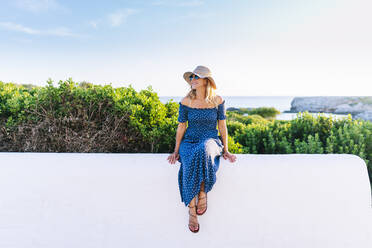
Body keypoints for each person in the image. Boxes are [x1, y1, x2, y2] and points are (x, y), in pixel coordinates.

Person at [167, 65, 237, 233]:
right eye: (191, 77)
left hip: (211, 139)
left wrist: (226, 149)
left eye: (196, 77)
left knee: (204, 150)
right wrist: (176, 151)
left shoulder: (217, 101)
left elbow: (222, 126)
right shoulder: (186, 101)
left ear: (206, 81)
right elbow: (181, 127)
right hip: (189, 140)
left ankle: (203, 192)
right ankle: (192, 209)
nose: (193, 80)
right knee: (189, 157)